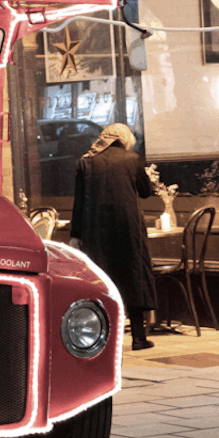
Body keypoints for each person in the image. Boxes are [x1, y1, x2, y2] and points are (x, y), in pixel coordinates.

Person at [71, 122, 157, 350]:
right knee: (133, 277)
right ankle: (138, 338)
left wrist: (76, 235)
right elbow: (146, 192)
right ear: (124, 138)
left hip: (95, 230)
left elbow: (79, 202)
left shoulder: (86, 161)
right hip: (128, 228)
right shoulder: (132, 158)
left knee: (103, 281)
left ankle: (105, 340)